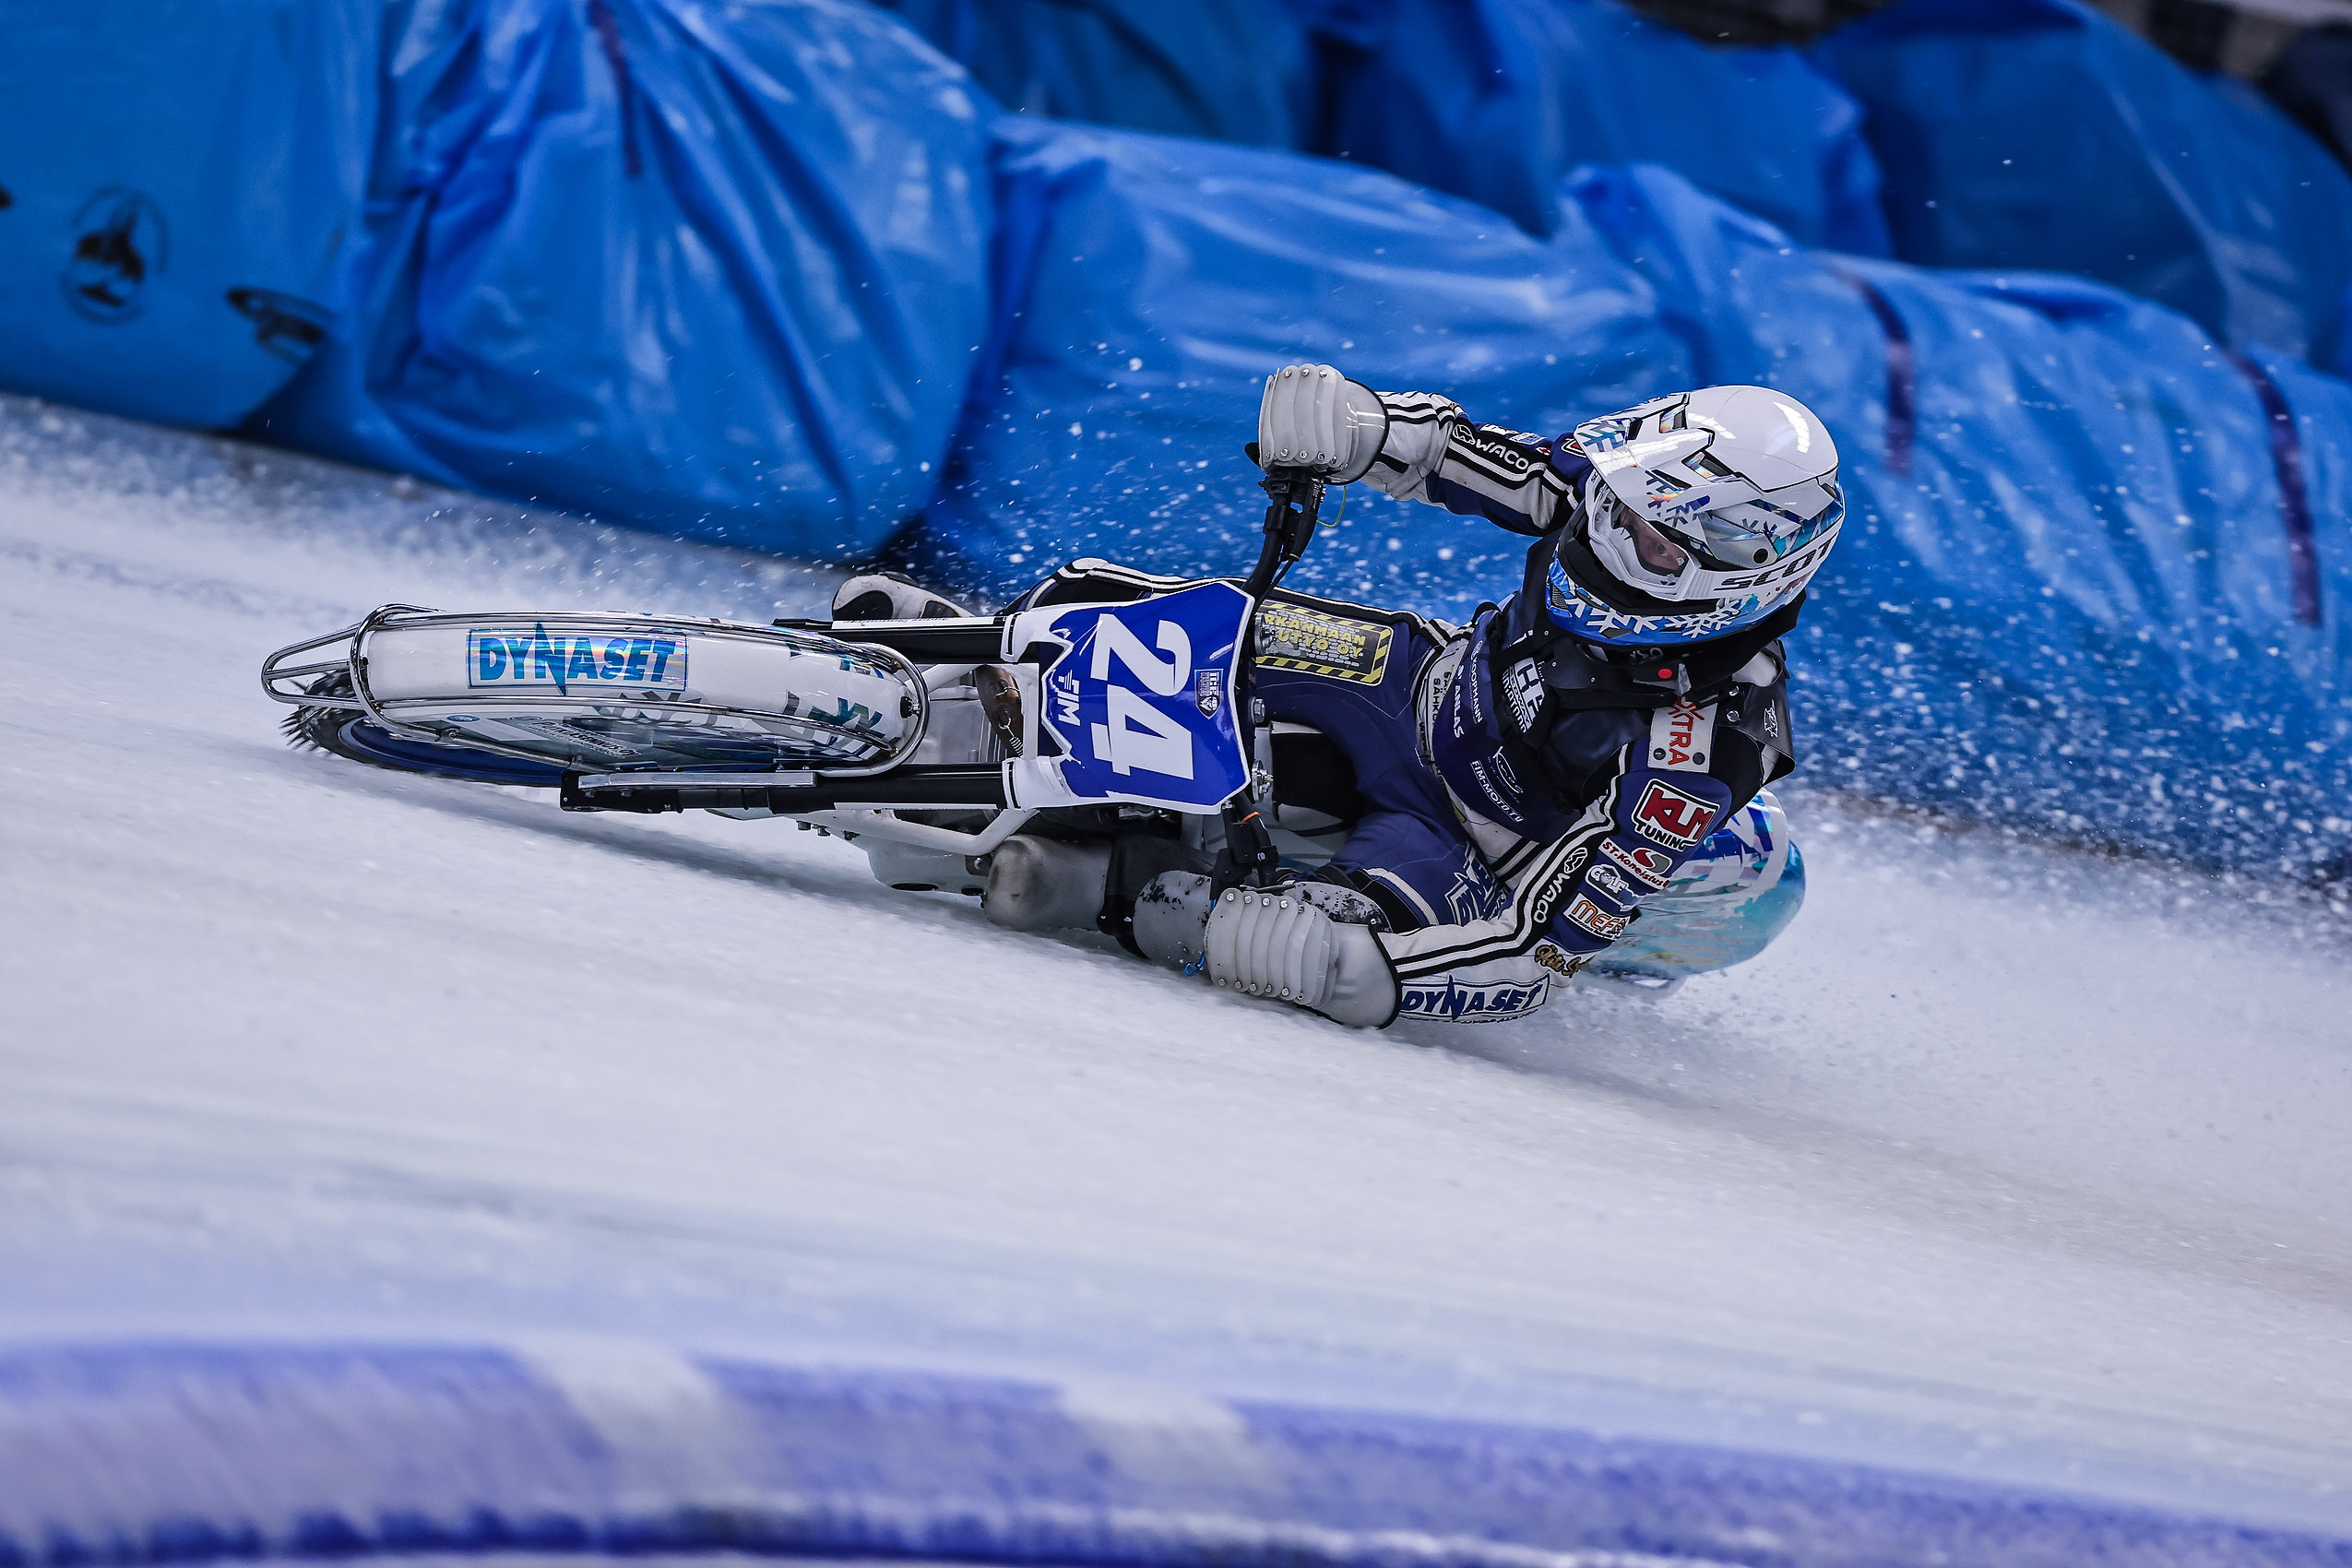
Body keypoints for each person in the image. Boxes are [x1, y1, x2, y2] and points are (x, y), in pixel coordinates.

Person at [837, 364, 1841, 1027]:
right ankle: (969, 653)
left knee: (1307, 931)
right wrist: (1361, 425)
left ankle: (1101, 885)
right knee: (1189, 620)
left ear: (1738, 569)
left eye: (1653, 540)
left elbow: (1537, 952)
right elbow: (1477, 459)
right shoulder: (1615, 490)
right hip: (1416, 682)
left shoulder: (1703, 747)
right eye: (1622, 507)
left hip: (1463, 843)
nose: (1612, 534)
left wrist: (1377, 979)